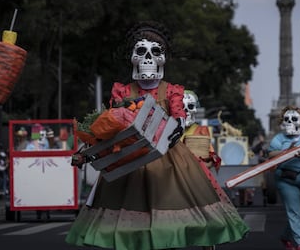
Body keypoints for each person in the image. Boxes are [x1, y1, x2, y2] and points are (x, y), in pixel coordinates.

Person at [66, 21, 249, 250]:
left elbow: (179, 116)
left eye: (155, 52)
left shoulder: (172, 91)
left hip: (168, 161)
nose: (148, 58)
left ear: (163, 58)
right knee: (130, 229)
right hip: (129, 162)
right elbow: (107, 126)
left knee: (169, 221)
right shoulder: (122, 92)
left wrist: (176, 128)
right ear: (132, 57)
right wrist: (87, 153)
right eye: (141, 51)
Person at [268, 106, 300, 250]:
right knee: (294, 211)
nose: (290, 122)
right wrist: (287, 152)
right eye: (286, 119)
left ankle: (285, 237)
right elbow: (271, 155)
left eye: (294, 119)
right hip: (286, 179)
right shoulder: (279, 138)